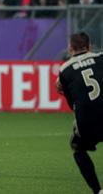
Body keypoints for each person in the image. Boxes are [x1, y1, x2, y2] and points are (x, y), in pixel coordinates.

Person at [56, 32, 103, 194]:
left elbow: (71, 103)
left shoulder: (64, 70)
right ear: (89, 46)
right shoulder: (101, 57)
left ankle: (97, 190)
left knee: (77, 147)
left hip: (87, 121)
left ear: (70, 49)